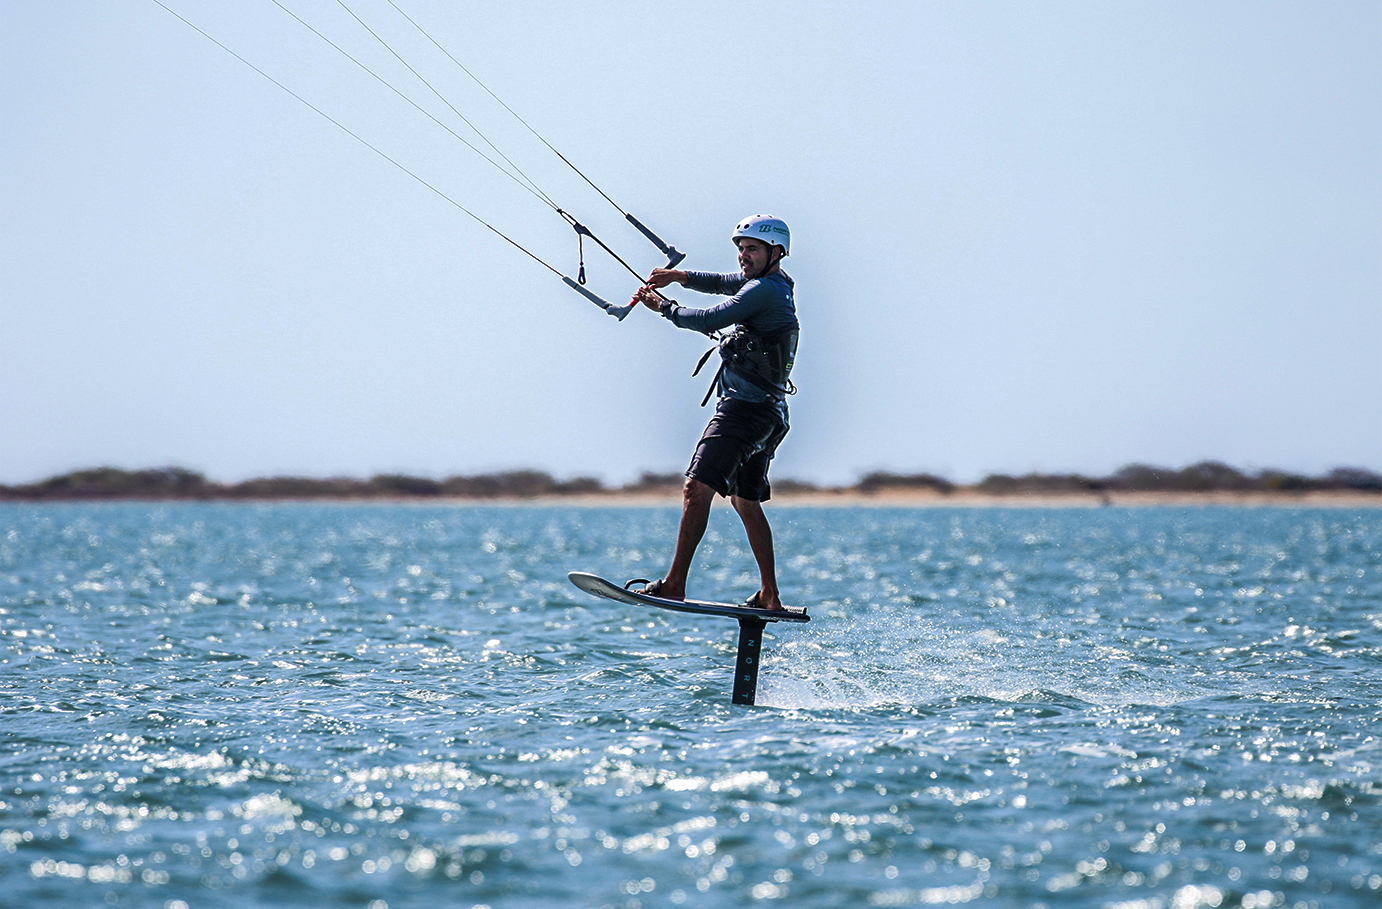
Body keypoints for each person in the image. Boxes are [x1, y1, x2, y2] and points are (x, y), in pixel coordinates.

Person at [631, 214, 799, 611]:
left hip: (745, 411)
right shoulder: (774, 284)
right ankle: (769, 596)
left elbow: (713, 317)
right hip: (771, 414)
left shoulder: (766, 291)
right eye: (740, 249)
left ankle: (674, 584)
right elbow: (724, 283)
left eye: (752, 249)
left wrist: (665, 308)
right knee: (744, 500)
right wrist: (681, 276)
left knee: (696, 489)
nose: (743, 256)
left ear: (776, 253)